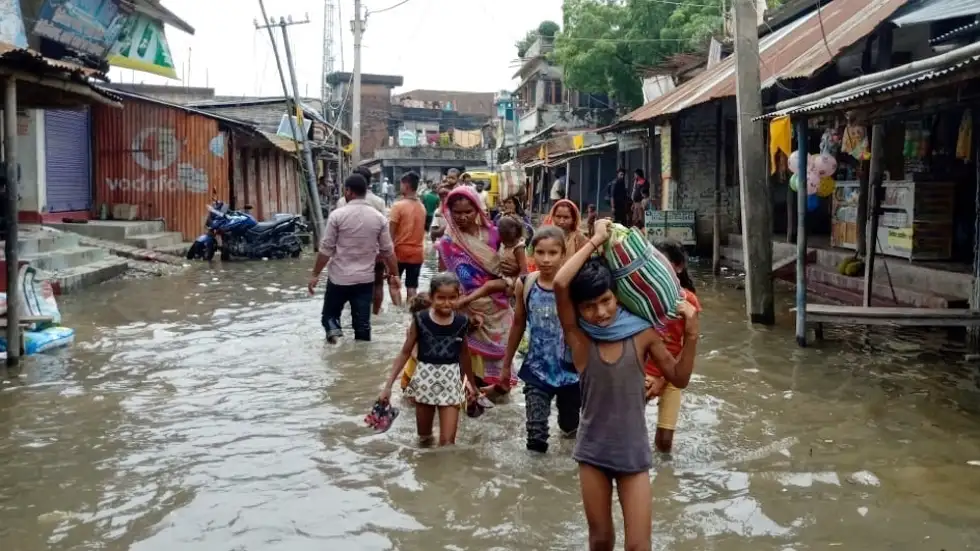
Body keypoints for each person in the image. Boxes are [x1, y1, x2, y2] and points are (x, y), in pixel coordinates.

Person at [554, 219, 699, 551]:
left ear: (616, 297)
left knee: (638, 546)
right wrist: (596, 240)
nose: (600, 312)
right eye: (588, 307)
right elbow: (562, 285)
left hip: (633, 452)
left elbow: (679, 378)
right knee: (601, 540)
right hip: (592, 452)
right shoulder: (579, 339)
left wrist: (692, 334)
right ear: (577, 311)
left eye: (606, 300)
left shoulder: (643, 333)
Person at [499, 226, 578, 453]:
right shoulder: (526, 284)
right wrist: (506, 365)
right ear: (532, 253)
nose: (546, 260)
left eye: (552, 253)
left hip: (571, 373)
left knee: (570, 427)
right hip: (536, 369)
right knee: (535, 436)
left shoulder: (573, 286)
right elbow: (518, 324)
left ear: (563, 255)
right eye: (540, 253)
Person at [435, 186, 521, 390]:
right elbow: (443, 279)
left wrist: (515, 268)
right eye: (457, 212)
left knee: (501, 377)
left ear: (478, 210)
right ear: (449, 212)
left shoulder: (495, 234)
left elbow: (513, 265)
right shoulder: (448, 243)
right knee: (466, 368)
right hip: (465, 309)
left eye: (468, 212)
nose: (463, 217)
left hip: (497, 309)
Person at [380, 273, 478, 447]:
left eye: (452, 298)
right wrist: (388, 386)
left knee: (448, 443)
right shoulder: (421, 320)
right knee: (424, 439)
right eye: (441, 298)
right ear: (432, 297)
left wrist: (471, 385)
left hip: (451, 384)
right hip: (424, 383)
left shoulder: (462, 322)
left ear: (459, 297)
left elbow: (464, 355)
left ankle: (444, 472)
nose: (447, 303)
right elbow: (405, 352)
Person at [308, 173, 401, 343]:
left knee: (329, 317)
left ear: (349, 191)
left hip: (338, 279)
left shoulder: (337, 215)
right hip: (364, 280)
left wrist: (315, 274)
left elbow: (326, 249)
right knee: (362, 325)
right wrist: (394, 275)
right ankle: (361, 362)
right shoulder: (379, 218)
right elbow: (388, 251)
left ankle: (335, 339)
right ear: (365, 191)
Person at [646, 239, 701, 454]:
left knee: (665, 443)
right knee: (629, 434)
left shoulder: (689, 303)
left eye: (665, 263)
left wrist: (663, 379)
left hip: (671, 375)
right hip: (641, 373)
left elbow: (688, 348)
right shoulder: (643, 297)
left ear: (678, 267)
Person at [454, 215, 528, 307]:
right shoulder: (503, 243)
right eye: (504, 241)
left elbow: (524, 271)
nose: (506, 244)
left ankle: (467, 300)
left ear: (517, 235)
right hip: (502, 275)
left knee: (489, 286)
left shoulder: (518, 248)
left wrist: (513, 287)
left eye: (509, 242)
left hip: (512, 280)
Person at [389, 171, 427, 301]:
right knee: (412, 287)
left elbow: (390, 235)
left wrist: (386, 256)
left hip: (399, 252)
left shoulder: (398, 206)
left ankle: (398, 314)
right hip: (417, 253)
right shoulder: (422, 207)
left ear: (406, 186)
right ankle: (410, 314)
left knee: (394, 284)